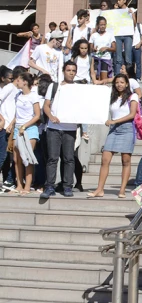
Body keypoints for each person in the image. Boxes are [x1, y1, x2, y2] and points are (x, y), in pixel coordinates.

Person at [88, 74, 138, 198]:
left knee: (125, 160)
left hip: (127, 128)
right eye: (117, 82)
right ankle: (99, 189)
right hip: (114, 129)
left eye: (122, 82)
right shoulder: (112, 96)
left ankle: (122, 190)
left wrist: (114, 121)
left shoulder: (133, 96)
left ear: (127, 84)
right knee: (105, 159)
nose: (119, 84)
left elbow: (132, 114)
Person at [40, 61, 78, 199]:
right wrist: (51, 116)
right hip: (53, 128)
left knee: (69, 158)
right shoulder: (54, 86)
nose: (71, 72)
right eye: (68, 70)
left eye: (73, 70)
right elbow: (46, 106)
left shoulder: (78, 88)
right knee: (52, 158)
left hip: (70, 128)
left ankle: (68, 186)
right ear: (63, 71)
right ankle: (49, 186)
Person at [11, 72, 40, 195]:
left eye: (18, 80)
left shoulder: (33, 96)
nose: (16, 82)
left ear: (25, 82)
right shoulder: (17, 95)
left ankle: (27, 185)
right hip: (17, 129)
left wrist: (25, 126)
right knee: (16, 158)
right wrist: (12, 125)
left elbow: (37, 115)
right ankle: (19, 184)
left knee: (27, 158)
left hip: (29, 129)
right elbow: (16, 114)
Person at [89, 16, 116, 82]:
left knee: (104, 79)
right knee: (94, 78)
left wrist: (106, 48)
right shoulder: (94, 35)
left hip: (105, 59)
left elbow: (114, 48)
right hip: (95, 59)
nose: (103, 26)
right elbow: (90, 48)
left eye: (104, 24)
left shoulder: (110, 35)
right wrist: (93, 49)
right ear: (98, 25)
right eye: (101, 25)